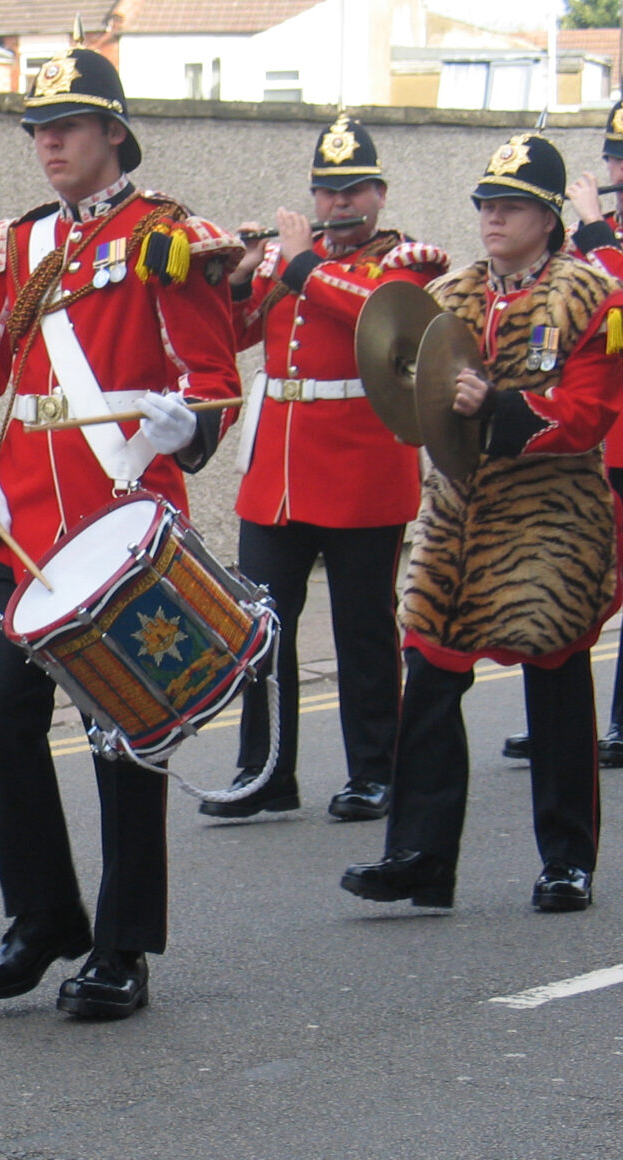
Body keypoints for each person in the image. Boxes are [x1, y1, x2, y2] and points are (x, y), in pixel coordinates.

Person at [0, 46, 241, 1019]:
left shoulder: (167, 237)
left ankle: (121, 946)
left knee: (123, 728)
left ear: (114, 131)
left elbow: (212, 378)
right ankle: (42, 917)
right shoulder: (18, 247)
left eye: (67, 124)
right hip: (19, 529)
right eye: (38, 127)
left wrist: (184, 427)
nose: (48, 141)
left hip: (122, 516)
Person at [342, 133, 623, 913]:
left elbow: (588, 414)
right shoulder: (454, 294)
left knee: (555, 674)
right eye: (486, 205)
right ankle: (421, 855)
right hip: (460, 510)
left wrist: (498, 407)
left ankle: (567, 859)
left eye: (509, 206)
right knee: (428, 673)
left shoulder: (595, 298)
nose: (491, 218)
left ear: (546, 216)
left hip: (549, 512)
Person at [200, 116, 448, 823]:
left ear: (380, 194)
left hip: (364, 468)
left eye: (352, 192)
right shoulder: (287, 261)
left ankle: (375, 770)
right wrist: (239, 279)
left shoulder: (409, 262)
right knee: (261, 625)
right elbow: (231, 335)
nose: (337, 206)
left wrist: (303, 263)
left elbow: (382, 318)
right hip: (277, 471)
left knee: (362, 628)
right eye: (326, 191)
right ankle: (265, 769)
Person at [502, 97, 623, 770]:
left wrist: (597, 232)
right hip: (596, 437)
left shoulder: (600, 235)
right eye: (615, 157)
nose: (619, 170)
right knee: (578, 592)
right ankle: (552, 719)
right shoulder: (590, 237)